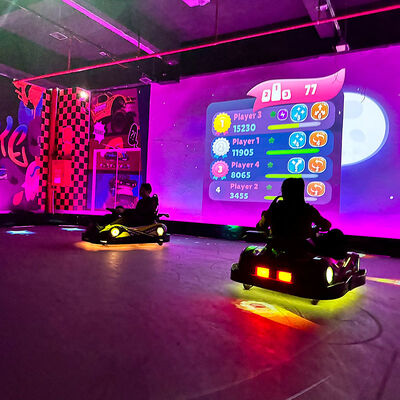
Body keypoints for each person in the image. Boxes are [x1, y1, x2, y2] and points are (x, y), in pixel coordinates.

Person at [257, 178, 346, 258]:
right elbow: (326, 225)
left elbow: (260, 226)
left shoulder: (274, 209)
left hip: (276, 250)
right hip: (302, 252)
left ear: (283, 190)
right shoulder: (308, 209)